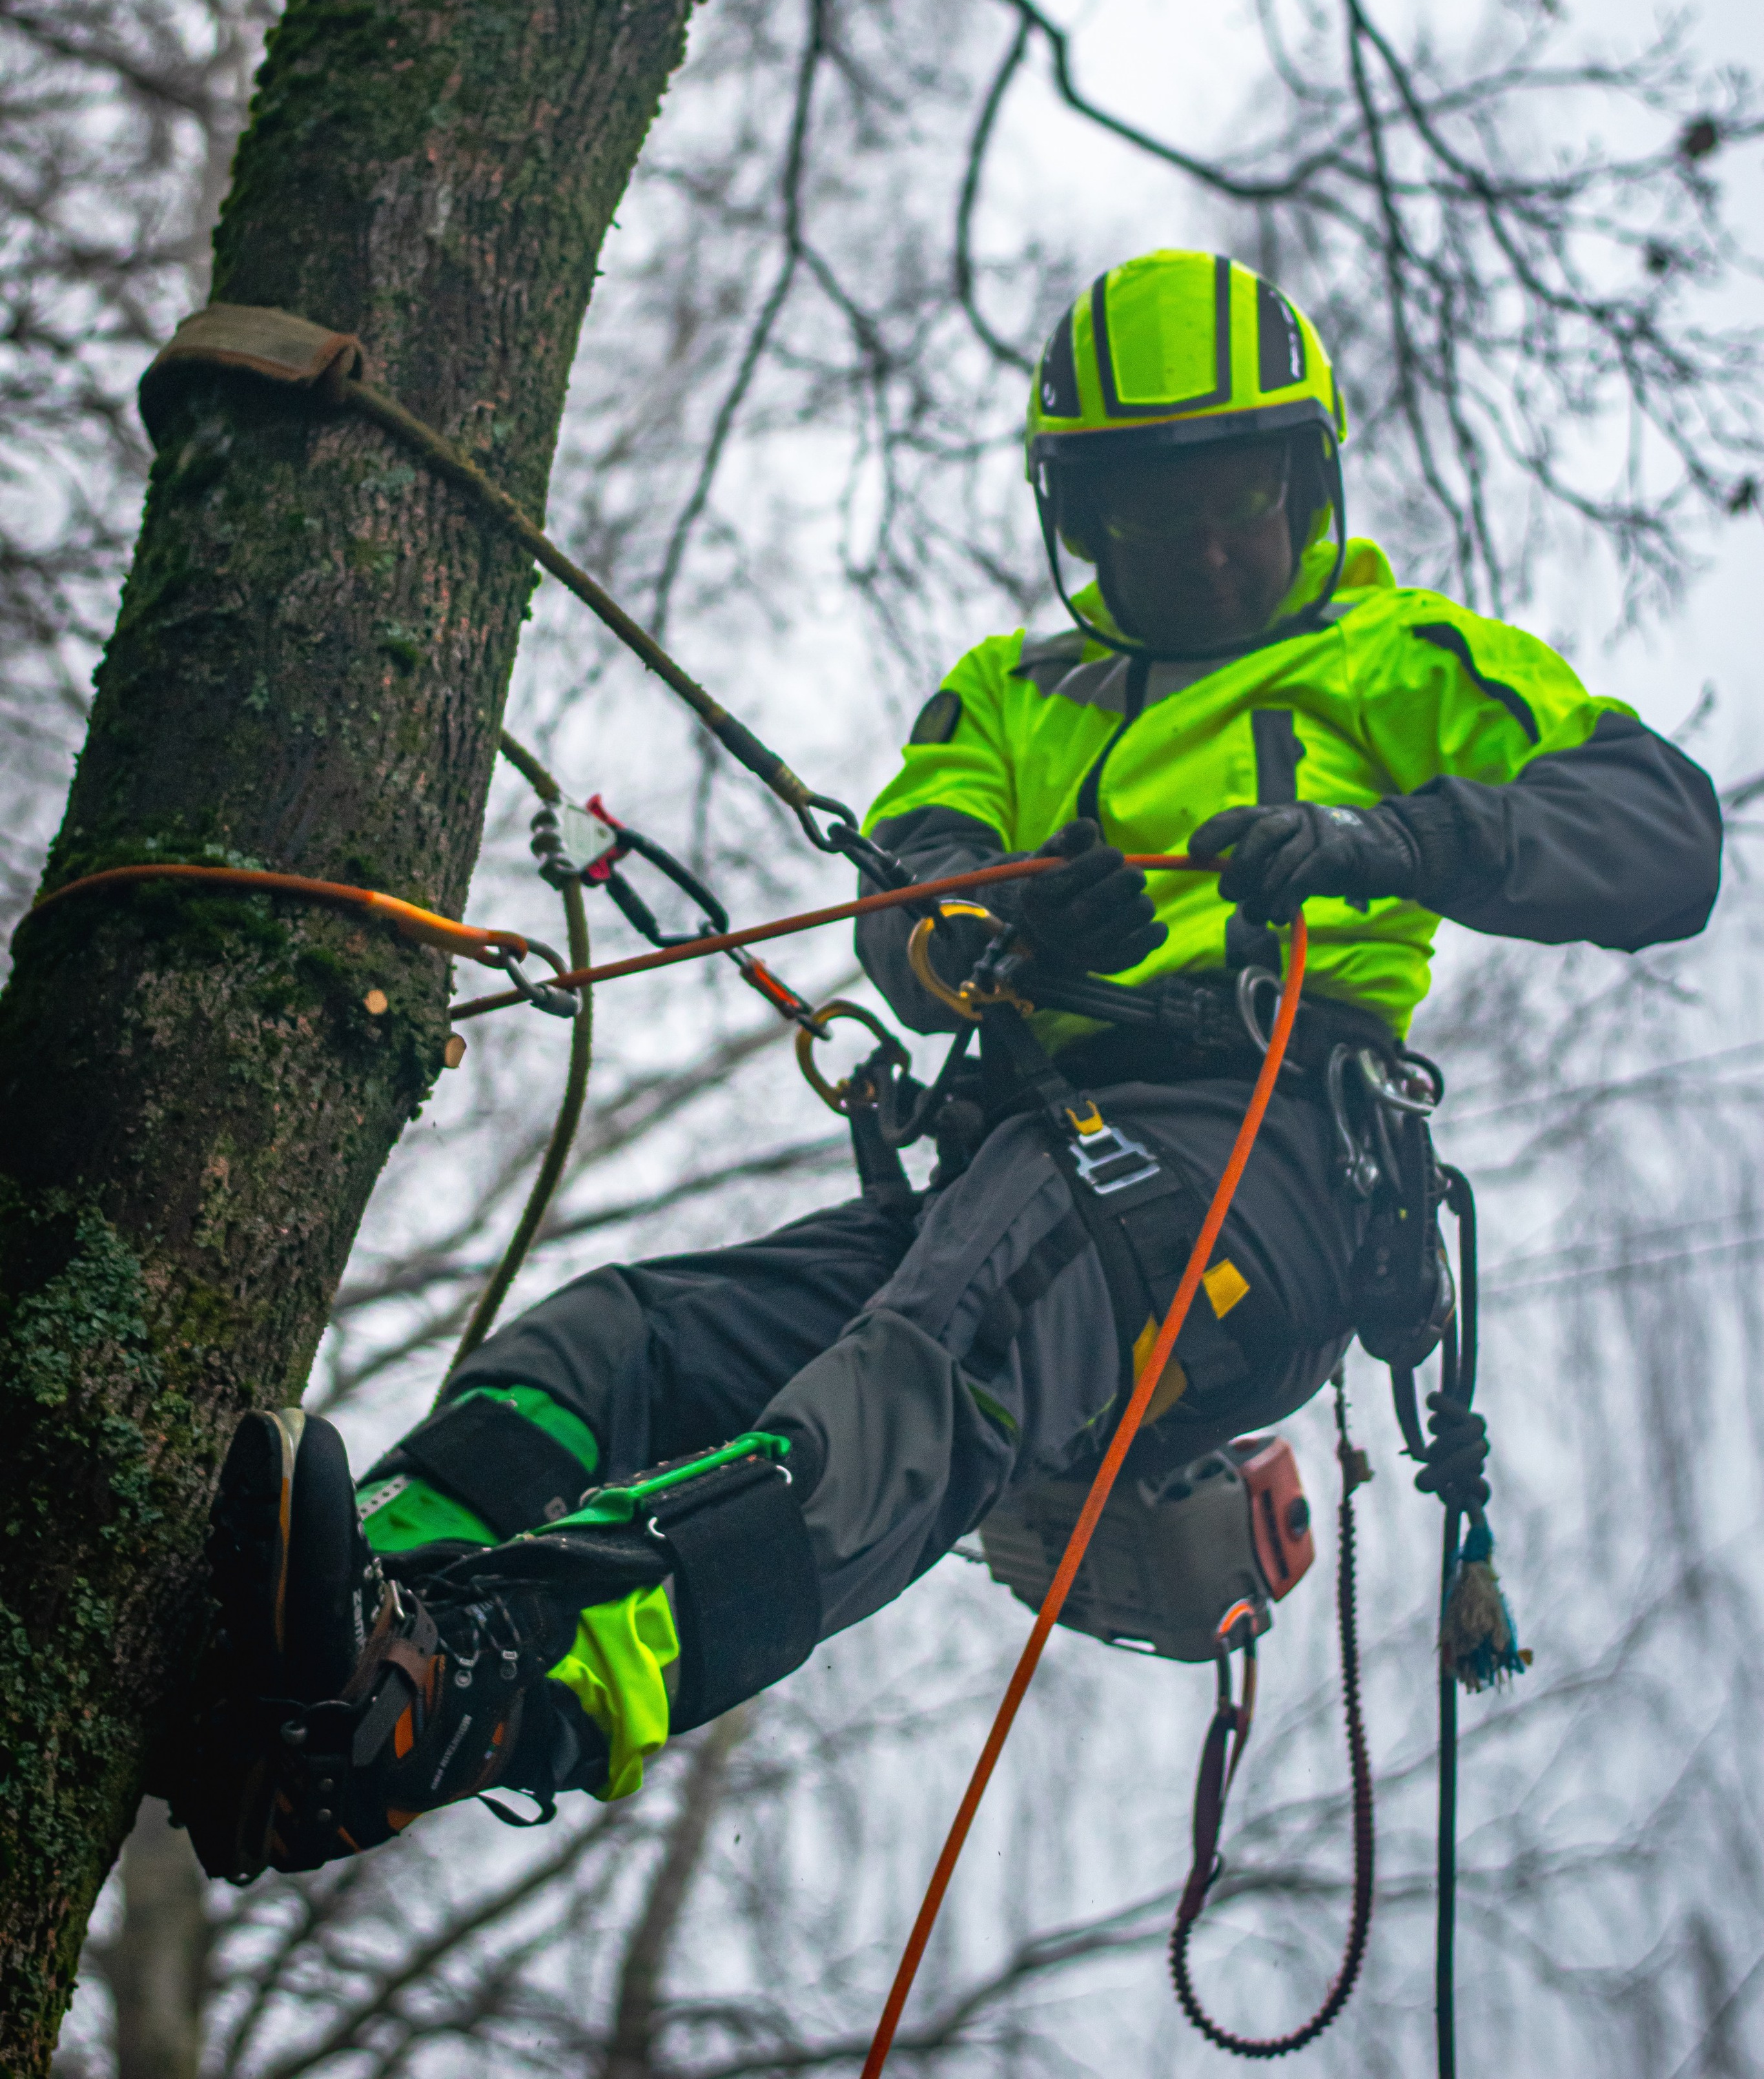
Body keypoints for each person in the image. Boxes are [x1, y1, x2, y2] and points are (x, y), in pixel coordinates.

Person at [176, 249, 1722, 1883]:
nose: (1202, 543)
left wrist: (1386, 838)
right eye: (1149, 507)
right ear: (1081, 521)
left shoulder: (1405, 660)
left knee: (950, 1329)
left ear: (1306, 474)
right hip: (1010, 1149)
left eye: (1239, 495)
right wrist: (1003, 940)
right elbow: (910, 885)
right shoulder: (1011, 694)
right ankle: (345, 1624)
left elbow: (1657, 831)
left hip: (1253, 1175)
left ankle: (495, 1679)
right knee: (626, 1338)